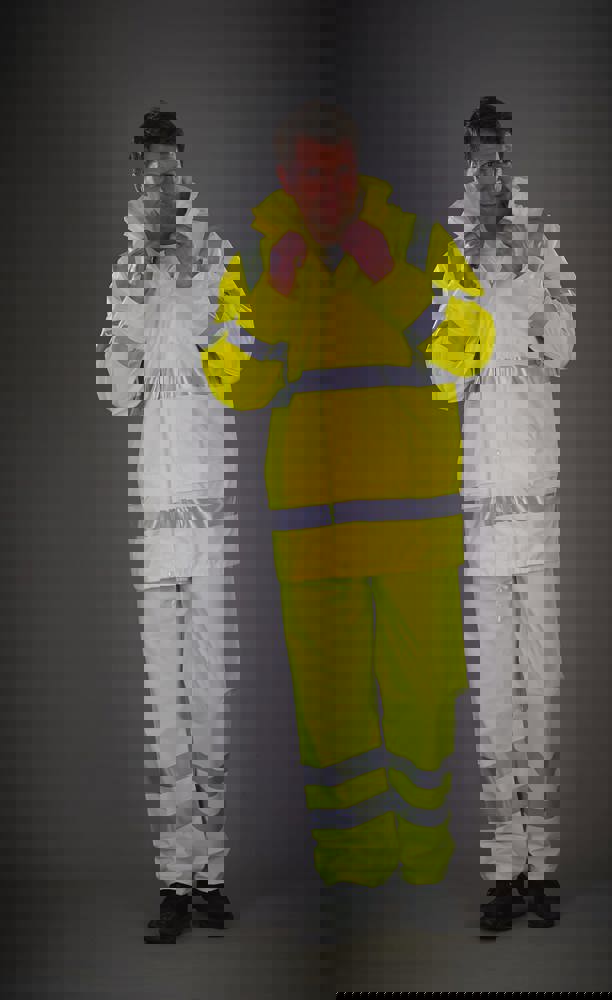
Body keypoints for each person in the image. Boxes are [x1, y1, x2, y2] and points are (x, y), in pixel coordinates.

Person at [199, 100, 494, 888]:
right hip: (313, 535)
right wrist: (281, 290)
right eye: (305, 171)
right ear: (283, 171)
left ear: (355, 160)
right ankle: (356, 859)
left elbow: (463, 360)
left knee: (422, 694)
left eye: (333, 169)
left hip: (414, 530)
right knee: (331, 710)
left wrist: (387, 273)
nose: (321, 187)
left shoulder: (418, 244)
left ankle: (426, 859)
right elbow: (234, 383)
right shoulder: (258, 265)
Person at [427, 96, 575, 931]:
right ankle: (503, 873)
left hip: (539, 515)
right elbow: (441, 381)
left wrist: (532, 286)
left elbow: (566, 347)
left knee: (541, 695)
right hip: (484, 518)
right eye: (479, 154)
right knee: (494, 704)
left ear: (511, 158)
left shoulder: (542, 241)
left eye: (500, 154)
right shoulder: (454, 254)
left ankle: (543, 869)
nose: (490, 168)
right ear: (468, 159)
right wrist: (471, 313)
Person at [96, 106, 239, 942]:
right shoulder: (126, 273)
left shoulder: (219, 259)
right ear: (138, 177)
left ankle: (211, 878)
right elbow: (114, 396)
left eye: (170, 167)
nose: (161, 181)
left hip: (209, 516)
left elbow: (239, 372)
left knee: (209, 697)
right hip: (155, 516)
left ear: (184, 171)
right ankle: (174, 884)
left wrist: (199, 305)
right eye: (148, 169)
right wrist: (139, 317)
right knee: (165, 708)